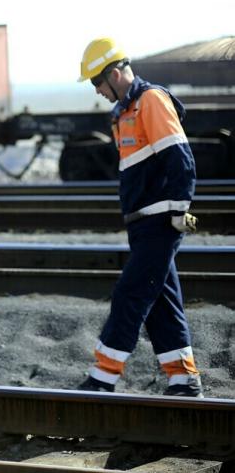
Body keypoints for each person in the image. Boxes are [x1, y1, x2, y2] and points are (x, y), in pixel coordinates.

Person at [75, 37, 202, 397]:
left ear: (115, 74)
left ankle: (103, 376)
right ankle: (183, 379)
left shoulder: (151, 101)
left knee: (130, 293)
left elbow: (180, 157)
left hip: (160, 220)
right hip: (142, 222)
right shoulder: (126, 112)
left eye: (97, 82)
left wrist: (180, 208)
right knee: (161, 300)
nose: (96, 90)